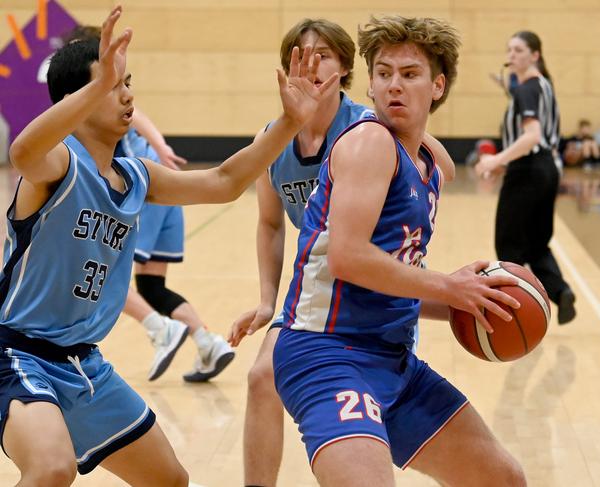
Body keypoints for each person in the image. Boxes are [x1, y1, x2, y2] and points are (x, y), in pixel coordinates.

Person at [0, 6, 336, 485]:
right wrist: (98, 84)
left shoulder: (135, 175)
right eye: (115, 84)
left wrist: (287, 122)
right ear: (78, 98)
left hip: (84, 361)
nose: (128, 94)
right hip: (17, 352)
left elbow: (223, 181)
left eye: (127, 81)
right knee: (52, 468)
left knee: (170, 480)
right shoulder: (57, 165)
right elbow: (22, 152)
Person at [273, 15, 526, 487]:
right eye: (384, 73)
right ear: (369, 84)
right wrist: (449, 286)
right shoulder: (371, 142)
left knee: (503, 479)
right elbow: (347, 257)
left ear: (438, 85)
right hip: (326, 353)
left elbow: (395, 279)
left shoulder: (428, 163)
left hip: (393, 359)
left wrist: (468, 299)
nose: (394, 85)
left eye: (410, 75)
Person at [227, 18, 456, 486]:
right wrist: (268, 300)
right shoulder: (273, 140)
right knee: (260, 378)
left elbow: (438, 170)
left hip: (384, 284)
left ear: (348, 69)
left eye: (324, 55)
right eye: (301, 55)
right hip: (322, 294)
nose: (312, 65)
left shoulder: (369, 128)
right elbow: (271, 224)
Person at [64, 24, 234, 383]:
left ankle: (159, 327)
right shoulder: (100, 98)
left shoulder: (102, 98)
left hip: (142, 190)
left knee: (100, 272)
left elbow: (137, 114)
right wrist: (161, 147)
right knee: (151, 286)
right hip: (160, 184)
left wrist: (159, 146)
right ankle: (208, 342)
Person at [475, 30, 576, 325]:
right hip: (548, 170)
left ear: (535, 55)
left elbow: (531, 137)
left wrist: (496, 159)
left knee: (508, 246)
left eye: (519, 50)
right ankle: (561, 291)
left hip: (528, 171)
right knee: (537, 244)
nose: (512, 55)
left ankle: (513, 314)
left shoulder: (526, 89)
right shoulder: (544, 86)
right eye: (509, 50)